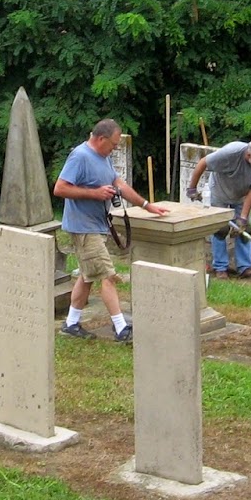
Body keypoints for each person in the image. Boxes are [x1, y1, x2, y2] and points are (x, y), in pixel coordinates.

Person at [53, 118, 167, 342]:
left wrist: (146, 205)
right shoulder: (80, 156)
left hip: (96, 225)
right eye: (113, 144)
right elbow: (60, 188)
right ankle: (121, 327)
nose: (115, 148)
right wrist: (95, 194)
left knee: (87, 276)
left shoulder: (103, 158)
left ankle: (71, 323)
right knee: (107, 274)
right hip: (83, 227)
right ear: (100, 138)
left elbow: (119, 185)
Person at [187, 138, 251, 278]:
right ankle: (220, 267)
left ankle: (244, 267)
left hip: (241, 196)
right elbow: (203, 163)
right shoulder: (231, 152)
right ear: (249, 156)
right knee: (220, 229)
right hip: (220, 192)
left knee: (244, 231)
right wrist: (192, 188)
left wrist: (242, 219)